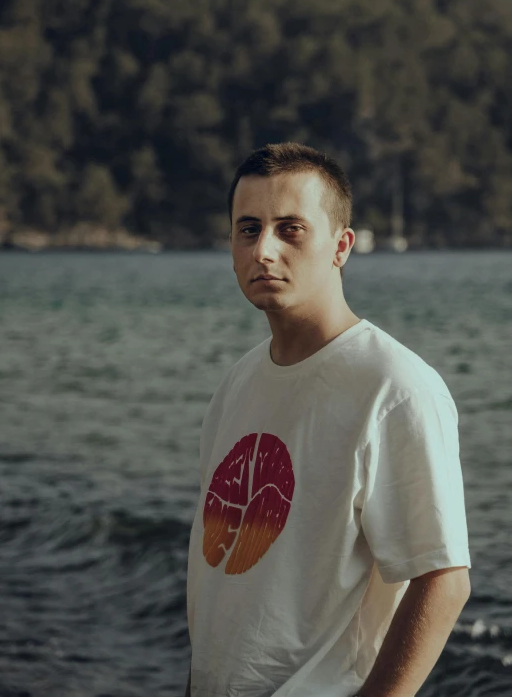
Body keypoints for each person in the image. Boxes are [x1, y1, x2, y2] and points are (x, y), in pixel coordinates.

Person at [185, 142, 471, 697]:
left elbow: (442, 579)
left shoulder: (394, 388)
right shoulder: (238, 383)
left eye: (290, 229)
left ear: (341, 247)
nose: (264, 249)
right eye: (248, 229)